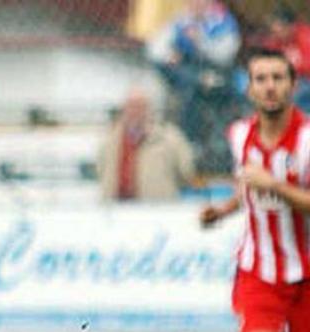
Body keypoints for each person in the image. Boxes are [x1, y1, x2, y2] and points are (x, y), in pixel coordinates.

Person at [200, 48, 310, 332]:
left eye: (278, 78)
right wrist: (223, 210)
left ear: (292, 84)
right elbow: (247, 187)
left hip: (306, 273)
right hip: (259, 272)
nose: (269, 86)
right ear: (249, 88)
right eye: (261, 78)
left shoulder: (307, 139)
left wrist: (276, 187)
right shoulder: (239, 134)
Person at [147, 0, 241, 174]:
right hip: (189, 74)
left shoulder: (223, 23)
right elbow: (155, 49)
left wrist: (200, 41)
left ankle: (221, 149)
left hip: (217, 73)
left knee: (202, 88)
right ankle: (189, 144)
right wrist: (170, 55)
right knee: (188, 84)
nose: (195, 5)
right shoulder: (180, 22)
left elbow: (225, 54)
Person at [97, 88, 195, 202]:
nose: (135, 111)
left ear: (149, 110)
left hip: (157, 210)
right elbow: (100, 170)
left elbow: (186, 172)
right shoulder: (110, 140)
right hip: (117, 211)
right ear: (124, 110)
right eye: (131, 106)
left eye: (140, 106)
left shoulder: (170, 138)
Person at [260, 5, 310, 112]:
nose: (275, 32)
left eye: (278, 27)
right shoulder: (275, 41)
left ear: (290, 26)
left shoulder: (305, 37)